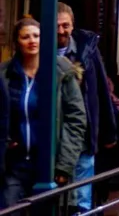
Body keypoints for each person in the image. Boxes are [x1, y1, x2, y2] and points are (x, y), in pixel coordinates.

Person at [4, 18, 87, 205]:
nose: (32, 41)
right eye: (26, 37)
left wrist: (64, 165)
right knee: (8, 208)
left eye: (36, 36)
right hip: (15, 163)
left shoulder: (62, 71)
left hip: (49, 163)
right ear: (17, 42)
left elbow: (76, 120)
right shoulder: (6, 74)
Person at [56, 3, 114, 213]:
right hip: (53, 139)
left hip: (83, 136)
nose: (61, 31)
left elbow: (101, 90)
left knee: (81, 200)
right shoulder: (39, 52)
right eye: (56, 26)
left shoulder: (87, 50)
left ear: (73, 26)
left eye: (65, 25)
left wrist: (109, 132)